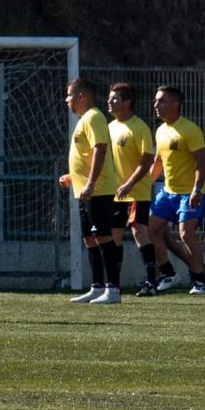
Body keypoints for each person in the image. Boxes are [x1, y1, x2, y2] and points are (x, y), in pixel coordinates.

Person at [61, 79, 124, 305]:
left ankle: (112, 289)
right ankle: (97, 287)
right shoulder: (84, 120)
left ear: (81, 97)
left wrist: (90, 183)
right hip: (85, 191)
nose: (66, 100)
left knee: (102, 236)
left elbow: (100, 149)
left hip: (98, 190)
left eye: (69, 95)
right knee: (89, 239)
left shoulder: (94, 117)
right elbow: (86, 156)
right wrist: (73, 177)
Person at [148, 85, 205, 295]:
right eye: (156, 100)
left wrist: (196, 189)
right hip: (167, 193)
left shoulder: (190, 129)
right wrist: (145, 184)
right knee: (151, 229)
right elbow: (158, 162)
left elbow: (202, 162)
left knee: (186, 234)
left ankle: (199, 281)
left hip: (189, 193)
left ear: (175, 104)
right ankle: (169, 274)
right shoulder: (160, 130)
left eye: (161, 101)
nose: (156, 105)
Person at [106, 83, 160, 297]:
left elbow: (147, 160)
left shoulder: (139, 127)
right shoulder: (110, 127)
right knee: (114, 236)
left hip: (137, 192)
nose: (109, 102)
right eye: (110, 98)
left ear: (127, 102)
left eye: (114, 99)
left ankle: (151, 283)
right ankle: (114, 285)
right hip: (115, 193)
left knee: (139, 232)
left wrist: (129, 184)